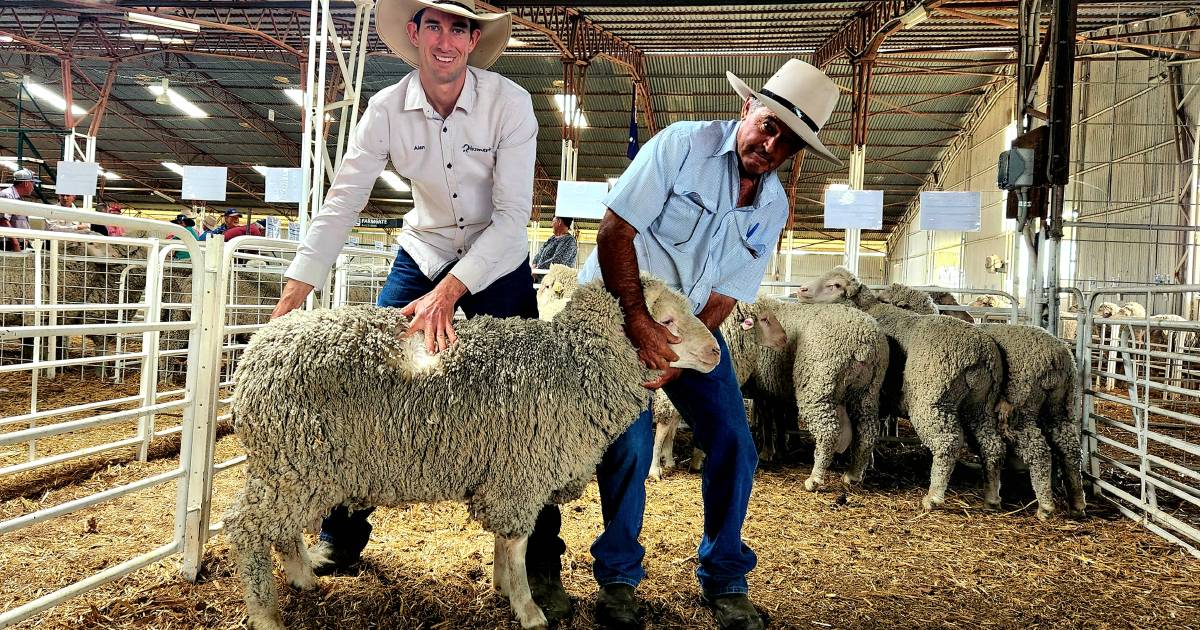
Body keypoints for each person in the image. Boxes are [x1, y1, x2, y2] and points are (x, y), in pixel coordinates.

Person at [266, 0, 570, 621]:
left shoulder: (509, 103)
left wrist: (451, 292)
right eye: (435, 24)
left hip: (495, 261)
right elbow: (343, 201)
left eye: (460, 28)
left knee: (528, 411)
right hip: (421, 249)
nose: (446, 40)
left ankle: (538, 560)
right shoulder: (385, 109)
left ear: (474, 39)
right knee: (367, 387)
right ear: (414, 33)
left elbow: (514, 219)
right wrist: (294, 292)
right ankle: (342, 535)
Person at [575, 59, 841, 630]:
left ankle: (724, 577)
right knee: (632, 440)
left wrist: (677, 351)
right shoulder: (683, 146)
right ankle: (618, 578)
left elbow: (727, 293)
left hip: (686, 328)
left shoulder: (773, 207)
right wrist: (638, 323)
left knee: (734, 443)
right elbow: (614, 233)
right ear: (748, 108)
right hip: (618, 311)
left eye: (787, 142)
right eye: (769, 125)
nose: (770, 144)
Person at [0, 168, 38, 251]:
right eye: (33, 183)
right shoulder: (7, 195)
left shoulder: (17, 197)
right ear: (26, 183)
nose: (33, 186)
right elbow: (3, 221)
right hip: (8, 244)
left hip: (16, 242)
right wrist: (15, 243)